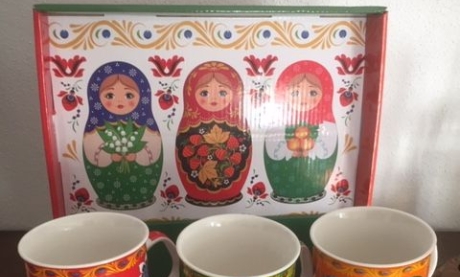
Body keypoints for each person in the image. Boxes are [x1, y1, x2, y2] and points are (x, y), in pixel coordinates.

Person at [83, 61, 163, 209]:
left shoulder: (145, 126)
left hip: (141, 181)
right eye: (109, 95)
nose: (119, 101)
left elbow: (154, 149)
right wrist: (108, 156)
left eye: (128, 95)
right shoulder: (96, 128)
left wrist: (138, 155)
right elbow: (91, 152)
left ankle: (142, 196)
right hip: (108, 179)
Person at [176, 61, 251, 206]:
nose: (214, 99)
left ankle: (230, 192)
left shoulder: (239, 126)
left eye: (223, 92)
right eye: (204, 93)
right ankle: (197, 194)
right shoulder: (188, 126)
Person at [264, 60, 338, 203]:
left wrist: (310, 148)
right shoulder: (277, 124)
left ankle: (313, 191)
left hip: (314, 179)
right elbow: (272, 149)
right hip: (284, 173)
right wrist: (289, 149)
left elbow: (327, 150)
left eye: (312, 92)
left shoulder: (326, 124)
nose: (303, 99)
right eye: (295, 92)